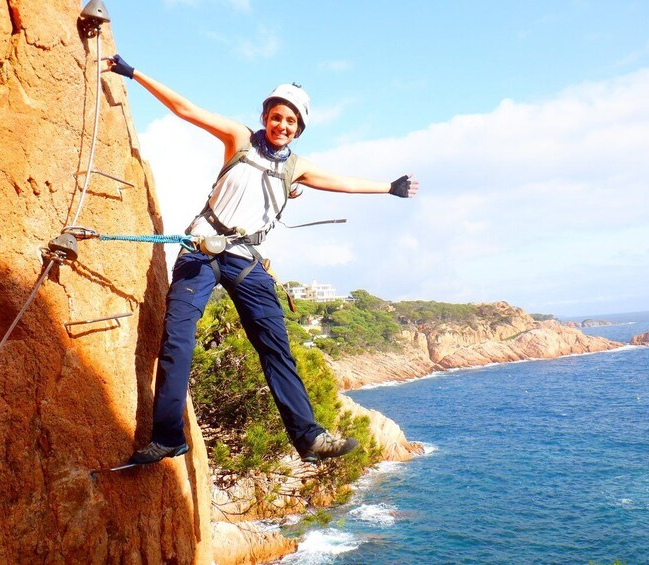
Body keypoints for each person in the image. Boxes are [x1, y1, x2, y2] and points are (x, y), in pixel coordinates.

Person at [106, 54, 419, 465]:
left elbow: (342, 182)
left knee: (276, 346)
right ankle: (168, 436)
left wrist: (388, 187)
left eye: (290, 122)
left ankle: (308, 437)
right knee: (178, 340)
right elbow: (186, 110)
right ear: (265, 117)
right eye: (276, 117)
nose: (282, 126)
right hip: (201, 249)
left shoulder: (296, 167)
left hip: (246, 260)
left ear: (298, 129)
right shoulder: (238, 138)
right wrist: (134, 73)